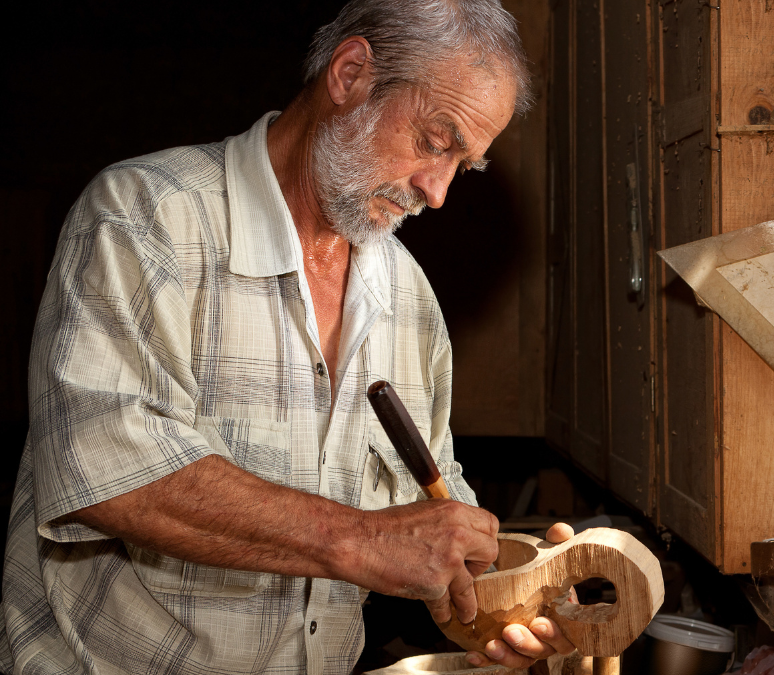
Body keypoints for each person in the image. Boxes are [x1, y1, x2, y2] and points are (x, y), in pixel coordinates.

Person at [0, 0, 566, 672]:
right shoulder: (144, 218)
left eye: (463, 164)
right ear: (351, 73)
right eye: (435, 141)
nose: (437, 191)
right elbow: (102, 473)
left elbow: (430, 501)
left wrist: (507, 590)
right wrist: (360, 540)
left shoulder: (409, 299)